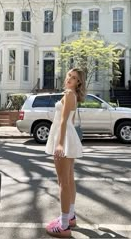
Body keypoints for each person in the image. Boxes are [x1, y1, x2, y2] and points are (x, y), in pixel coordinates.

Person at [45, 68, 86, 238]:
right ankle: (71, 216)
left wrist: (60, 143)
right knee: (69, 179)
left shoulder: (69, 94)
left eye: (74, 77)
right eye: (69, 75)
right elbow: (72, 119)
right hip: (69, 135)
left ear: (78, 83)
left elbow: (63, 120)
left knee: (63, 182)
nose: (70, 78)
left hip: (64, 138)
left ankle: (63, 225)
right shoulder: (72, 95)